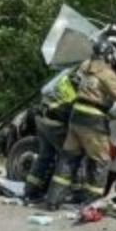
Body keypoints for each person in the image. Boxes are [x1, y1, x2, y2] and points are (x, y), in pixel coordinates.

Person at [45, 38, 116, 210]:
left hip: (76, 117)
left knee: (69, 158)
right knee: (101, 161)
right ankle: (92, 203)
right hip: (93, 120)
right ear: (108, 56)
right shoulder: (106, 73)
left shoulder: (85, 66)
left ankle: (53, 200)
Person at [23, 70, 76, 202]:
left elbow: (45, 91)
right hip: (55, 123)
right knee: (67, 157)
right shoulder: (78, 83)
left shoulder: (66, 74)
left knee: (45, 156)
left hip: (41, 118)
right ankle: (59, 194)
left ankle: (30, 191)